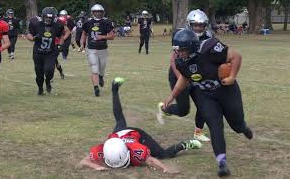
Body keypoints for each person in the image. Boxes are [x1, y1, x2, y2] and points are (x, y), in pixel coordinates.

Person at [162, 29, 253, 177]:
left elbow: (236, 56)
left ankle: (243, 128)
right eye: (177, 50)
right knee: (215, 125)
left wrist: (232, 77)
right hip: (206, 95)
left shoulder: (209, 48)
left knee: (236, 124)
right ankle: (222, 163)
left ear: (191, 48)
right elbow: (185, 78)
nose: (178, 54)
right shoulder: (181, 62)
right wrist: (172, 96)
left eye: (182, 50)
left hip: (226, 91)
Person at [80, 77, 202, 172]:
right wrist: (95, 167)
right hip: (117, 135)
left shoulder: (136, 150)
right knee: (119, 119)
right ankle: (115, 89)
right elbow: (84, 161)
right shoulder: (105, 150)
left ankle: (186, 144)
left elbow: (151, 160)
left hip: (136, 135)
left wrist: (164, 168)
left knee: (163, 154)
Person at [157, 9, 211, 142]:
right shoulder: (180, 35)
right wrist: (184, 78)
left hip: (196, 74)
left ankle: (198, 132)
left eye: (201, 25)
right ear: (189, 24)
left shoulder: (208, 36)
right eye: (195, 25)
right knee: (183, 111)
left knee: (204, 104)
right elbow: (173, 60)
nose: (198, 28)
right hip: (178, 74)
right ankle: (164, 108)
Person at [26, 7, 70, 95]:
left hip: (50, 52)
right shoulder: (36, 23)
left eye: (50, 18)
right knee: (39, 74)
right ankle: (40, 89)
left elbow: (61, 35)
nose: (48, 19)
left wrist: (60, 44)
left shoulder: (57, 25)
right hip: (38, 52)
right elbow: (28, 34)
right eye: (46, 17)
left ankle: (48, 81)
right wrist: (33, 38)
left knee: (49, 70)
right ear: (43, 16)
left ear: (53, 18)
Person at [80, 4, 114, 97]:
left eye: (100, 12)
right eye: (96, 12)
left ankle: (101, 77)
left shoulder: (106, 22)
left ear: (102, 12)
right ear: (93, 12)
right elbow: (84, 34)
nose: (98, 13)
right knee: (94, 68)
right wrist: (82, 45)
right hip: (92, 49)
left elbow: (112, 36)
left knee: (102, 69)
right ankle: (96, 87)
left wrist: (102, 36)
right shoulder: (88, 22)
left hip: (103, 49)